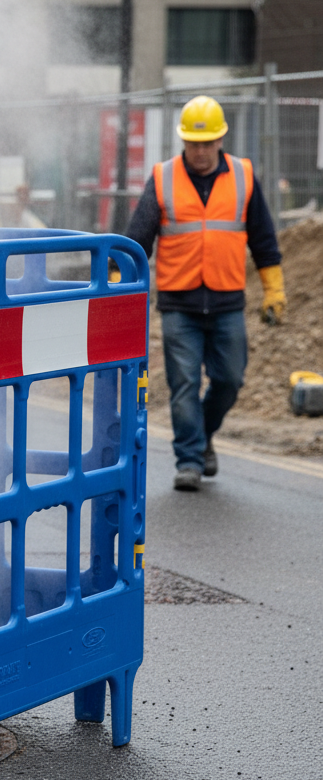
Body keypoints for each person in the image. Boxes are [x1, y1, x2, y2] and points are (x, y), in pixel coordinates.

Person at [126, 95, 285, 492]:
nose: (200, 151)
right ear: (183, 140)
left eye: (207, 143)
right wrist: (117, 283)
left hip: (227, 300)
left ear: (220, 140)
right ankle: (190, 460)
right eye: (193, 143)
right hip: (179, 304)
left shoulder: (243, 176)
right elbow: (137, 241)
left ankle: (203, 434)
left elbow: (264, 240)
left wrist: (274, 291)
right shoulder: (163, 178)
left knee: (230, 380)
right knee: (183, 385)